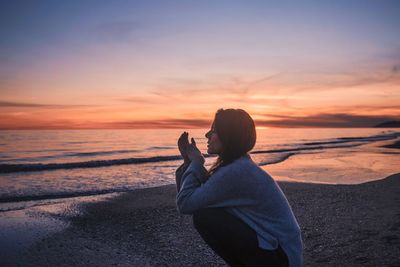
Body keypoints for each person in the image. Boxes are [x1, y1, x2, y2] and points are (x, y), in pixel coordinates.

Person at [175, 108, 303, 267]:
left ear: (227, 136)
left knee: (204, 217)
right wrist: (189, 163)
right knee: (206, 213)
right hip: (280, 252)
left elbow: (185, 203)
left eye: (213, 130)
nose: (207, 135)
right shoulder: (237, 166)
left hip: (281, 257)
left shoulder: (236, 171)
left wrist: (196, 162)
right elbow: (201, 192)